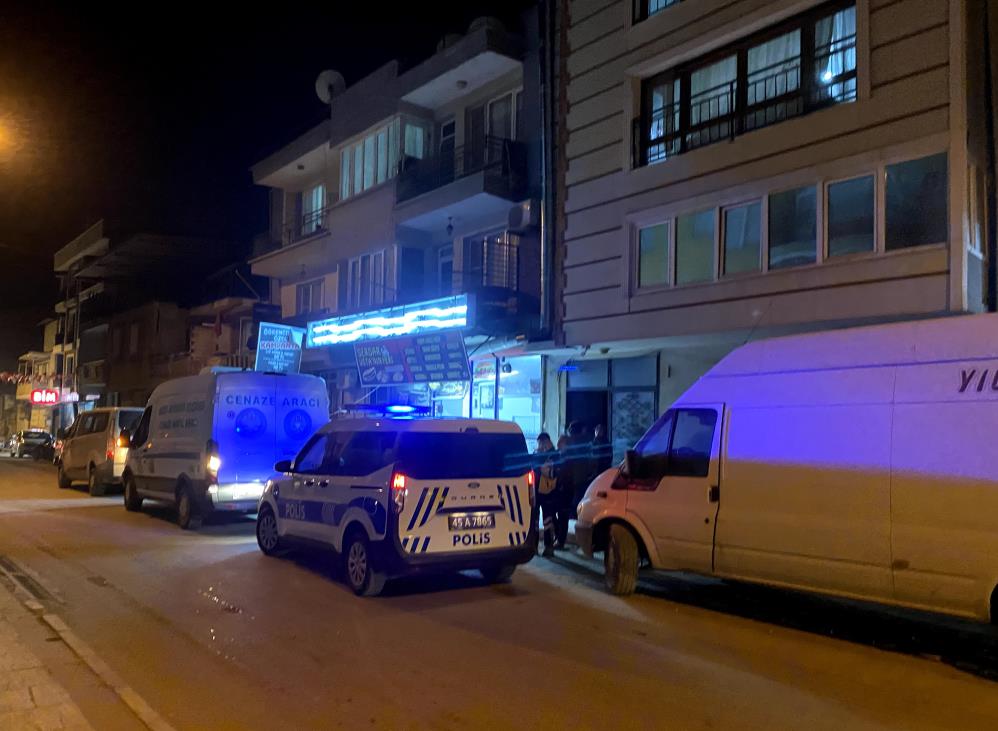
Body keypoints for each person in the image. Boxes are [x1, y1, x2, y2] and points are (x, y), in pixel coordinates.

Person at [533, 432, 558, 557]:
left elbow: (552, 472)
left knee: (548, 520)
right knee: (535, 520)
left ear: (546, 442)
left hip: (548, 492)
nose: (539, 446)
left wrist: (540, 463)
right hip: (536, 491)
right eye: (539, 443)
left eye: (541, 443)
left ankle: (548, 547)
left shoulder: (554, 455)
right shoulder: (538, 454)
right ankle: (534, 546)